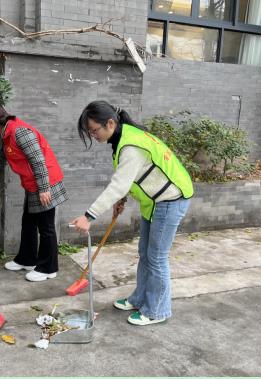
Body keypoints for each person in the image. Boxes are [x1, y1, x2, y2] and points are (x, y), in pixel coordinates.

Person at [71, 100, 193, 326]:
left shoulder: (131, 145)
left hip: (170, 200)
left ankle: (157, 310)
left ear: (109, 123)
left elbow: (118, 183)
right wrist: (122, 199)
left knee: (157, 258)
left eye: (94, 130)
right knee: (145, 253)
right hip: (155, 201)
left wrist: (88, 216)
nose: (93, 135)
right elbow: (130, 179)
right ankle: (140, 299)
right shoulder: (123, 138)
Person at [0, 105, 68, 282]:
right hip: (33, 184)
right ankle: (27, 259)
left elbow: (38, 161)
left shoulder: (20, 132)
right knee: (28, 222)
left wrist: (44, 188)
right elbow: (5, 153)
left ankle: (48, 268)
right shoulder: (8, 132)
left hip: (45, 183)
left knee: (46, 227)